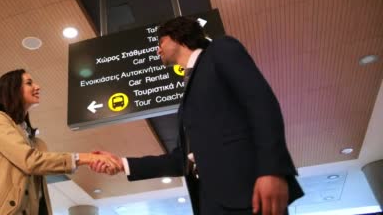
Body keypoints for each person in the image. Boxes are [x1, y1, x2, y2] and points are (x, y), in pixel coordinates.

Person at [90, 16, 304, 215]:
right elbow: (180, 160)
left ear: (178, 36)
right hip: (210, 201)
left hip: (248, 192)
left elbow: (261, 104)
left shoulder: (221, 50)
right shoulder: (188, 91)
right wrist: (121, 163)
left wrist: (272, 170)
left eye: (161, 42)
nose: (158, 50)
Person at [0, 69, 120, 215]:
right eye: (29, 83)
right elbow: (30, 161)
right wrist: (87, 158)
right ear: (12, 89)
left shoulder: (36, 142)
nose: (37, 87)